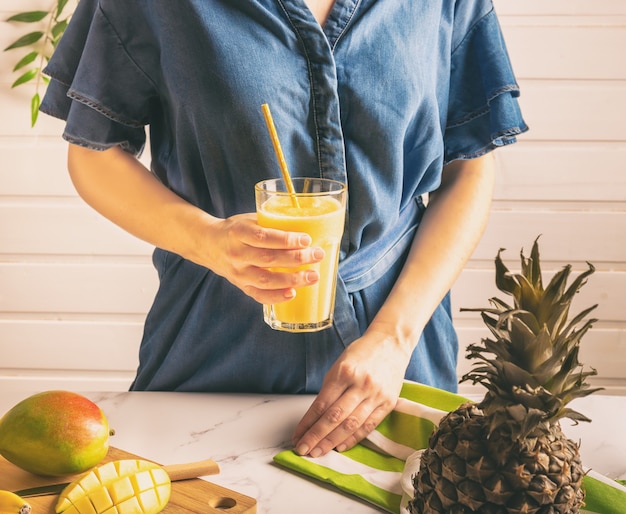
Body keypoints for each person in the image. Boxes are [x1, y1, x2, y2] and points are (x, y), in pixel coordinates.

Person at [40, 0, 527, 459]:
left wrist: (393, 339)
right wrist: (207, 241)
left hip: (399, 348)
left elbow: (468, 166)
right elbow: (93, 152)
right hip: (211, 342)